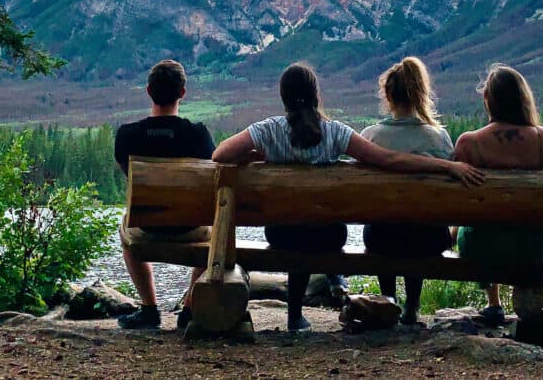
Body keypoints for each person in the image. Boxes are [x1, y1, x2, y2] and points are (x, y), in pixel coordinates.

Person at [212, 62, 484, 332]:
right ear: (316, 95)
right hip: (328, 236)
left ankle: (295, 315)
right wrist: (447, 165)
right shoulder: (335, 132)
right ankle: (341, 284)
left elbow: (220, 155)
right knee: (313, 224)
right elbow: (388, 159)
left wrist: (257, 156)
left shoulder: (268, 130)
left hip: (280, 234)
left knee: (297, 226)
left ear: (283, 97)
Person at [453, 64, 543, 327]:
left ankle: (494, 303)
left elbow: (459, 203)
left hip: (484, 246)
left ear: (488, 100)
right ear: (523, 99)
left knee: (476, 228)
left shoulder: (470, 143)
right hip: (536, 246)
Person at [114, 60, 216, 330]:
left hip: (147, 228)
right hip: (191, 229)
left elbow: (130, 176)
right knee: (217, 234)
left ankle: (149, 309)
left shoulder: (127, 135)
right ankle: (189, 309)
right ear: (182, 92)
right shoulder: (198, 135)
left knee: (125, 230)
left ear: (148, 91)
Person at [360, 57, 454, 325]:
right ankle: (412, 304)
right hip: (428, 240)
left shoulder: (370, 136)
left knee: (386, 221)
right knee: (419, 220)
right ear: (420, 94)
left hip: (381, 238)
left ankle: (388, 299)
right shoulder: (439, 138)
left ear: (388, 95)